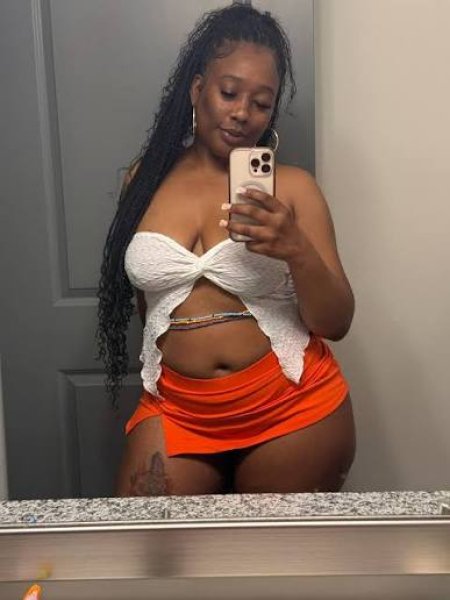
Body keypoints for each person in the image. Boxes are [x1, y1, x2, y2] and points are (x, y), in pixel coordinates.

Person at [97, 3, 356, 497]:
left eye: (261, 102)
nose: (242, 113)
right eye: (229, 92)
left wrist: (296, 249)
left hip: (292, 406)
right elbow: (150, 305)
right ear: (198, 90)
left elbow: (337, 322)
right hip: (178, 409)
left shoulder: (294, 188)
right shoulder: (144, 179)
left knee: (264, 547)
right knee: (154, 540)